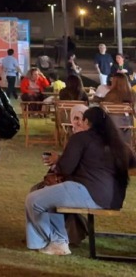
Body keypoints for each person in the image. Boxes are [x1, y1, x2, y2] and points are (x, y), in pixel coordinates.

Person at [25, 106, 136, 255]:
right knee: (49, 198)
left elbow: (66, 168)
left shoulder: (81, 138)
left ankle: (55, 241)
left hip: (87, 191)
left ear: (87, 121)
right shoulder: (119, 144)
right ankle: (56, 241)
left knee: (33, 200)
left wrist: (59, 160)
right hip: (112, 199)